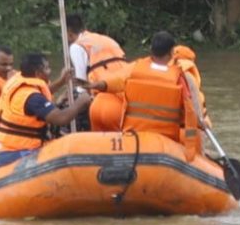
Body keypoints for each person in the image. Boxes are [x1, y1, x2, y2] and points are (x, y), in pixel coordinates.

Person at [85, 31, 204, 159]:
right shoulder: (180, 77)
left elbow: (116, 80)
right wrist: (192, 150)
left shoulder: (136, 69)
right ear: (171, 53)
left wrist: (100, 84)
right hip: (164, 142)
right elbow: (191, 114)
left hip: (135, 137)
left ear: (151, 51)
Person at [0, 52, 91, 167]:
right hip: (13, 152)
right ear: (38, 73)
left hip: (2, 147)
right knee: (63, 154)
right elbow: (62, 118)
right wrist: (81, 101)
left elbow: (40, 97)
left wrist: (61, 82)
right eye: (47, 68)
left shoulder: (18, 80)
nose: (50, 71)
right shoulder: (31, 97)